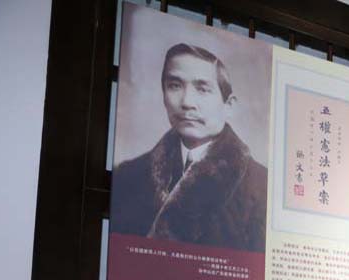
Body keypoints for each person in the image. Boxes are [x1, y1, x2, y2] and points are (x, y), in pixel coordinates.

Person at [111, 42, 267, 252]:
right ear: (163, 95)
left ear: (228, 105)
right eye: (175, 86)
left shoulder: (260, 187)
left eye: (202, 89)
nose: (187, 102)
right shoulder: (128, 175)